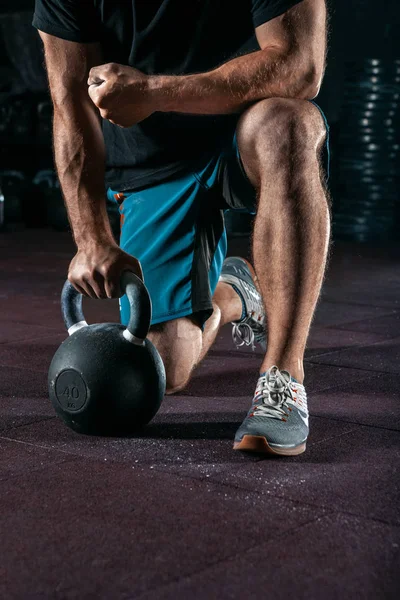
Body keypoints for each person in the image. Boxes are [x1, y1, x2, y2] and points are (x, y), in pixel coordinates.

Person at [33, 0, 330, 456]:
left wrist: (155, 92)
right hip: (153, 166)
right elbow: (70, 103)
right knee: (163, 368)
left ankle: (283, 376)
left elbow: (300, 66)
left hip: (245, 126)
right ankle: (236, 293)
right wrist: (92, 238)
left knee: (289, 124)